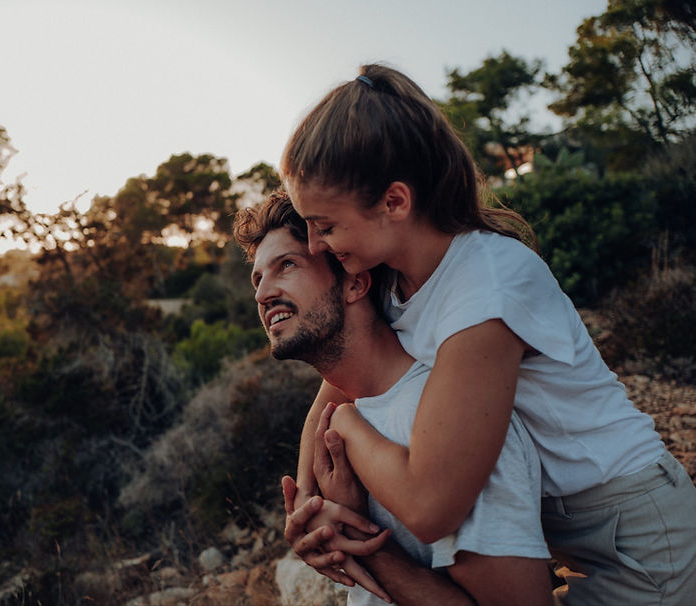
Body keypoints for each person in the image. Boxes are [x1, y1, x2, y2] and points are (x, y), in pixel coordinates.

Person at [278, 63, 696, 604]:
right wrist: (309, 513)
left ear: (395, 203)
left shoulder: (487, 283)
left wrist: (353, 429)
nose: (313, 245)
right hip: (565, 538)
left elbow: (432, 507)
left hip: (640, 545)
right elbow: (336, 392)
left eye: (326, 226)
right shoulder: (388, 280)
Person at [233, 191, 553, 606]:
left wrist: (359, 536)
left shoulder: (447, 420)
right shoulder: (351, 418)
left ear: (355, 282)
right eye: (258, 279)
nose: (262, 295)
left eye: (287, 265)